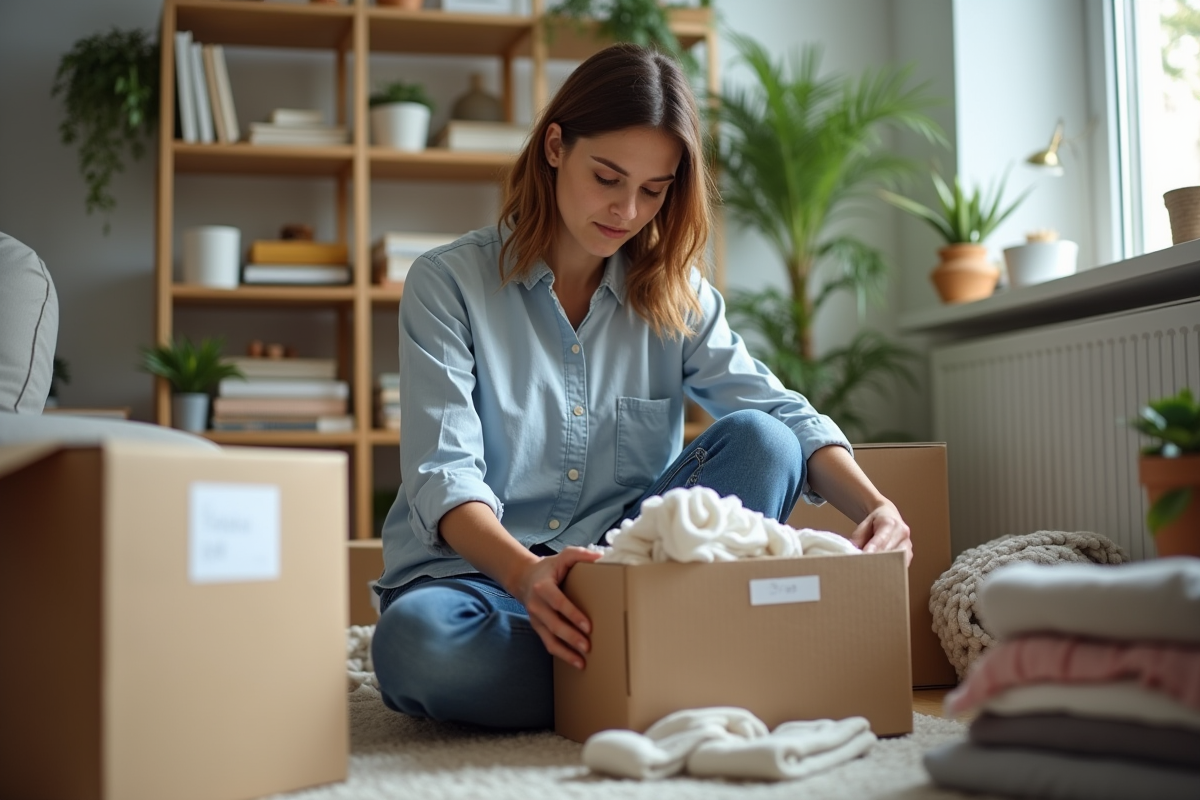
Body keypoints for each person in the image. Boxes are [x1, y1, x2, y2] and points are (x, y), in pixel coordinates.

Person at [371, 43, 912, 730]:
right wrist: (527, 575)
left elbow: (779, 412)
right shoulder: (447, 284)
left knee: (764, 442)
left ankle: (626, 668)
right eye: (608, 177)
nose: (627, 209)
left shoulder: (675, 295)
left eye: (653, 190)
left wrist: (875, 506)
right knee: (420, 647)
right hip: (486, 583)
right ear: (556, 147)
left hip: (633, 580)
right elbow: (443, 476)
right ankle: (665, 666)